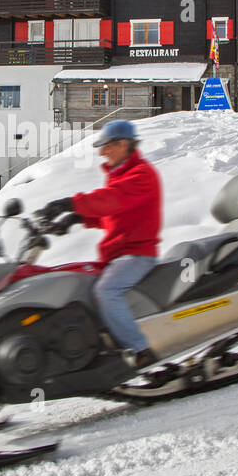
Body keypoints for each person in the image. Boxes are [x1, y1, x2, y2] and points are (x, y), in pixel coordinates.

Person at [40, 120, 161, 368]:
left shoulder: (141, 175)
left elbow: (112, 200)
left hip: (137, 254)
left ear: (123, 144)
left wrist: (70, 204)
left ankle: (141, 350)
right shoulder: (123, 174)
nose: (101, 152)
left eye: (105, 146)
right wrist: (76, 219)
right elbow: (112, 214)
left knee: (106, 291)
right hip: (118, 254)